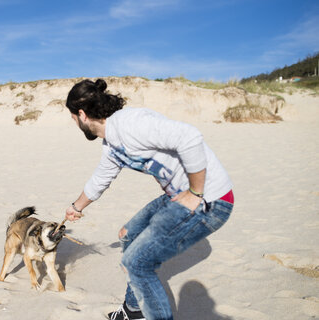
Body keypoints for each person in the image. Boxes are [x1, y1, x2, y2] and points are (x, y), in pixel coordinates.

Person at [64, 79, 234, 320]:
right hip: (179, 195)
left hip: (210, 200)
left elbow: (190, 137)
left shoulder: (130, 124)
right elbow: (101, 178)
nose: (75, 124)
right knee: (128, 235)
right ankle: (133, 311)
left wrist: (196, 192)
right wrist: (75, 207)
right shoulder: (111, 143)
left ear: (81, 114)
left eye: (73, 119)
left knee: (137, 263)